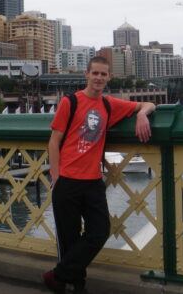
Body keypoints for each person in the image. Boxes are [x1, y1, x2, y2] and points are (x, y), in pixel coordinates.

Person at [43, 56, 156, 294]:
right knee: (69, 239)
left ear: (108, 78)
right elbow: (54, 142)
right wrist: (56, 178)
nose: (99, 78)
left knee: (100, 231)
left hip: (93, 181)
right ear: (87, 74)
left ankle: (57, 276)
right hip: (67, 180)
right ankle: (75, 285)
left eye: (103, 74)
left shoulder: (108, 105)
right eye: (95, 73)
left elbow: (147, 105)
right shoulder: (70, 102)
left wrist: (142, 115)